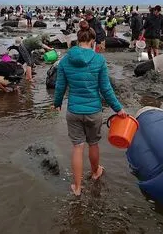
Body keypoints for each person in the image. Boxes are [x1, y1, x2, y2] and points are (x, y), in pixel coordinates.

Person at [53, 20, 127, 196]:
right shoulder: (99, 59)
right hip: (94, 111)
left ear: (78, 40)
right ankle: (95, 173)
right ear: (92, 41)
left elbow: (60, 86)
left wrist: (57, 103)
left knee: (77, 147)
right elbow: (106, 89)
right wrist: (118, 109)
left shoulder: (65, 60)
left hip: (73, 111)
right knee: (93, 144)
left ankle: (77, 188)